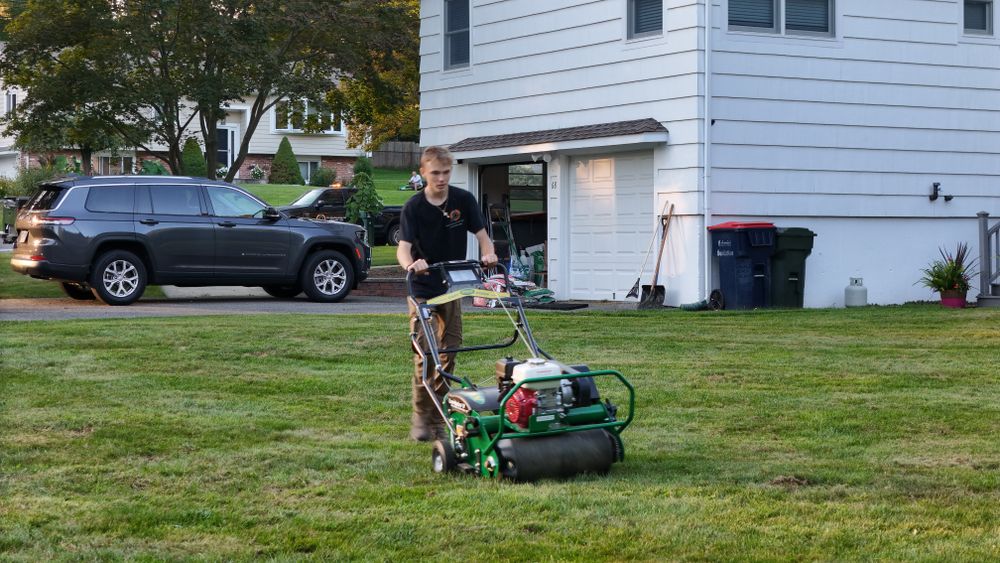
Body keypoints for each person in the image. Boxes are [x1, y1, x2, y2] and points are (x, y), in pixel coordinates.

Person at [397, 146, 497, 441]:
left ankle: (438, 417)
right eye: (435, 173)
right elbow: (403, 248)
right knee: (425, 353)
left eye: (446, 173)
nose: (441, 179)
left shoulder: (463, 200)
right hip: (422, 287)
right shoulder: (413, 208)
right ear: (424, 172)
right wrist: (411, 265)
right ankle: (421, 415)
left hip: (452, 286)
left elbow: (482, 237)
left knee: (449, 351)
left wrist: (489, 254)